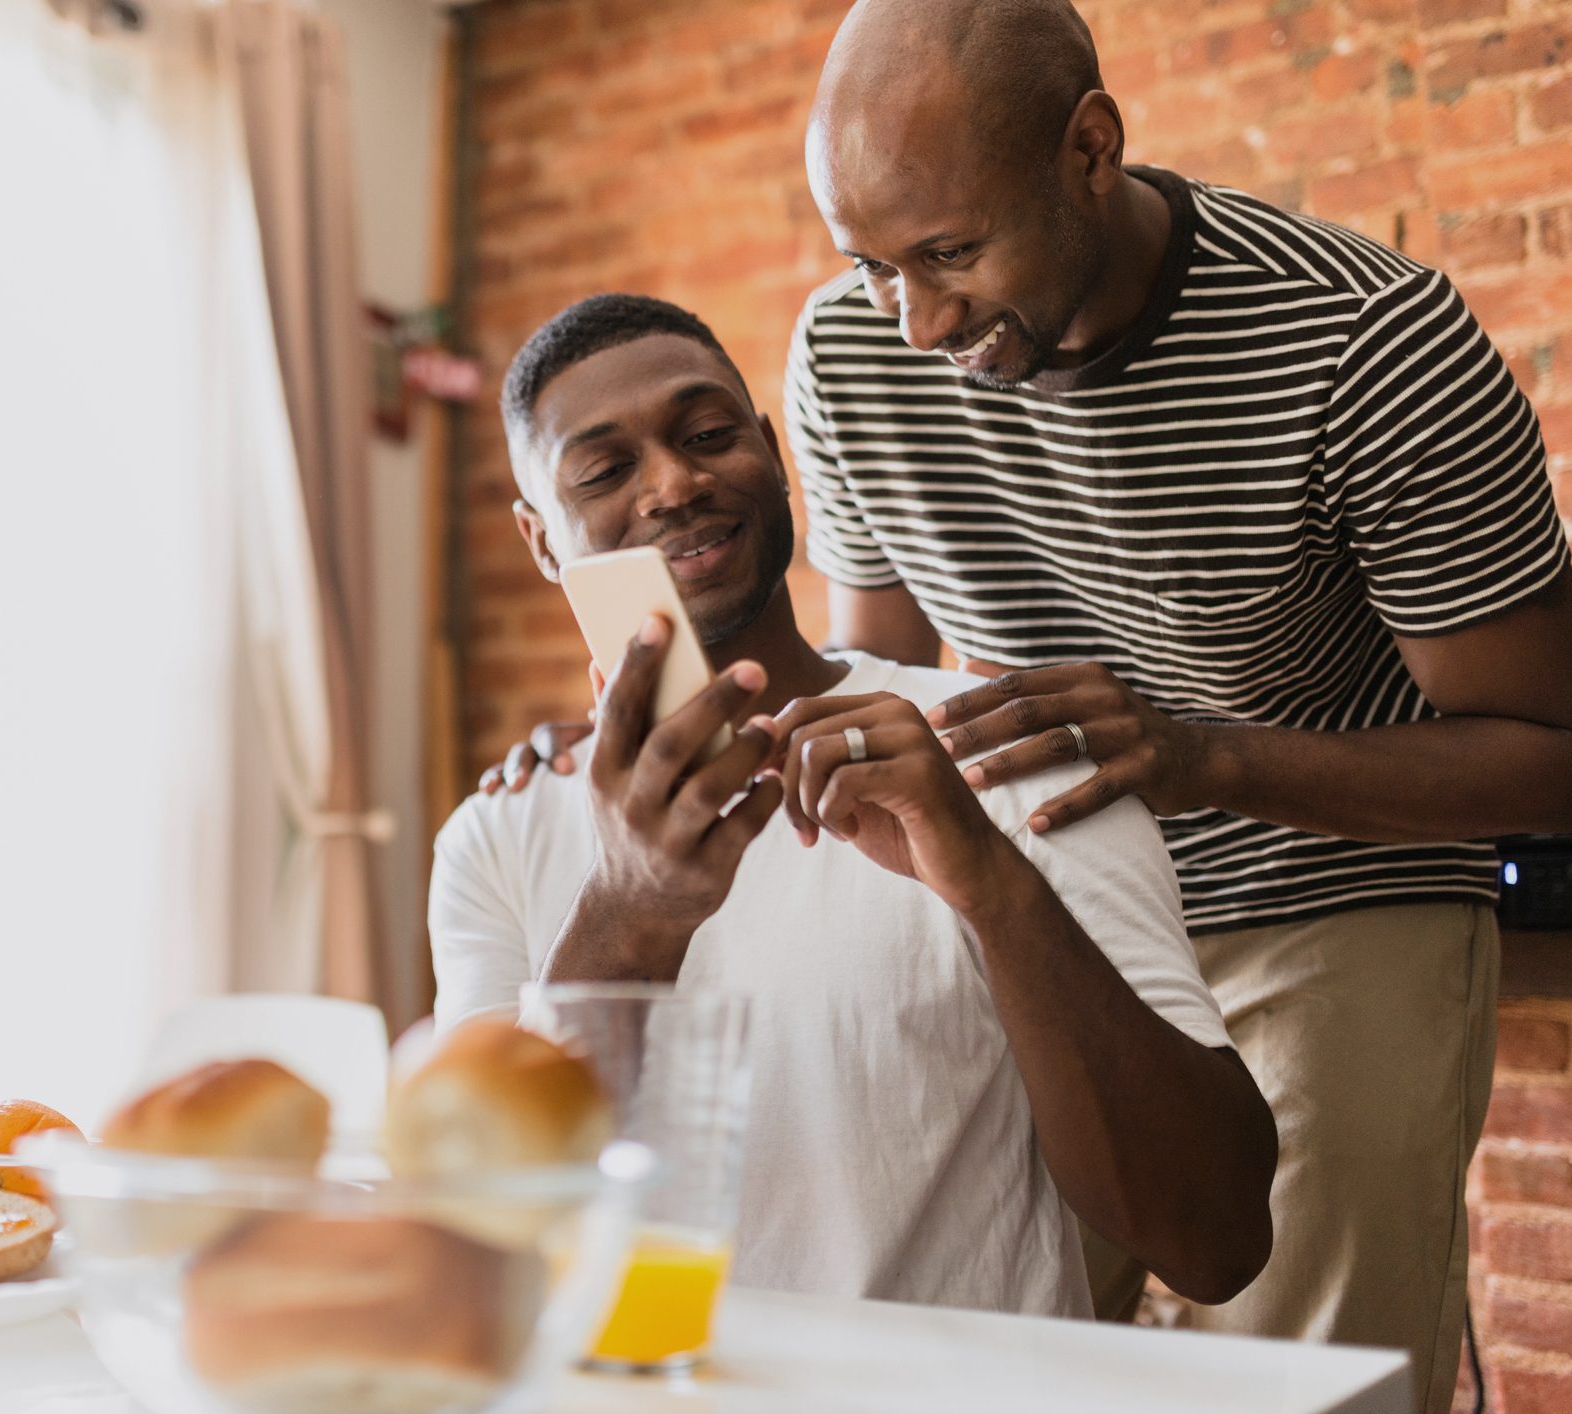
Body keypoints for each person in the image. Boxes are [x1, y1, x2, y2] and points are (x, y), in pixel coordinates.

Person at [481, 3, 1572, 1406]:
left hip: (1322, 896)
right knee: (997, 1328)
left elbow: (1546, 754)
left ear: (1088, 149)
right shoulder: (852, 353)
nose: (916, 322)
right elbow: (868, 672)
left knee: (1296, 1367)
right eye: (871, 264)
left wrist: (1207, 762)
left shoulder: (1362, 339)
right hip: (1034, 891)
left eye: (947, 253)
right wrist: (612, 741)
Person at [431, 292, 1277, 1316]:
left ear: (771, 453)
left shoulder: (996, 753)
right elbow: (474, 1242)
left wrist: (987, 883)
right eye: (606, 470)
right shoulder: (499, 832)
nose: (674, 484)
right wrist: (628, 914)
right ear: (539, 540)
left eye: (706, 435)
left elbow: (1216, 1235)